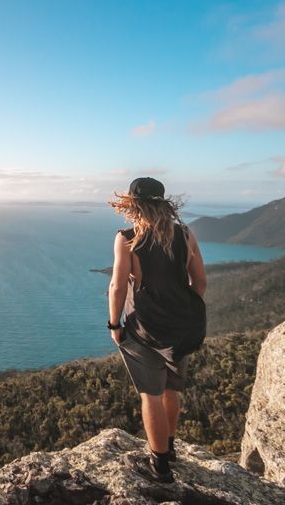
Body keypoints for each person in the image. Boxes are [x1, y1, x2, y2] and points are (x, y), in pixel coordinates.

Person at [106, 177, 207, 484]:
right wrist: (183, 310)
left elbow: (117, 285)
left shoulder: (127, 238)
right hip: (184, 328)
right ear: (164, 204)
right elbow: (199, 282)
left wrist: (114, 325)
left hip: (145, 330)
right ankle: (170, 447)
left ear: (132, 205)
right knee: (171, 389)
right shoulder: (186, 234)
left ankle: (159, 467)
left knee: (150, 395)